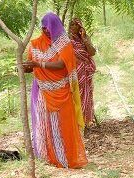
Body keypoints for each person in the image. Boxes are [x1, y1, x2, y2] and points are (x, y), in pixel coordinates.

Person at [23, 12, 87, 169]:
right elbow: (31, 67)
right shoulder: (35, 44)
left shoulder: (64, 43)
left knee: (62, 125)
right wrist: (27, 68)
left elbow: (61, 65)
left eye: (49, 28)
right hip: (42, 92)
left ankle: (64, 158)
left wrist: (39, 65)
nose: (46, 31)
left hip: (62, 91)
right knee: (44, 124)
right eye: (44, 28)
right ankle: (47, 157)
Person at [69, 18, 96, 127]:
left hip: (85, 71)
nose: (73, 27)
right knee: (76, 95)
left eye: (76, 25)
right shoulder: (67, 40)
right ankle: (75, 121)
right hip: (75, 71)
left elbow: (92, 52)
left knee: (86, 95)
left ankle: (84, 121)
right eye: (71, 24)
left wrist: (85, 39)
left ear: (80, 27)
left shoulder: (84, 39)